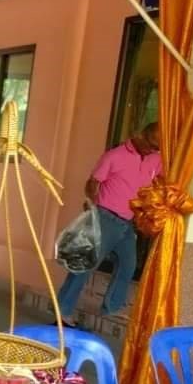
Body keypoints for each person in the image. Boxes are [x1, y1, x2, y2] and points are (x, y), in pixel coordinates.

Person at [57, 122, 161, 326]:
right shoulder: (115, 156)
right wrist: (92, 204)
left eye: (157, 147)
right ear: (141, 135)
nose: (153, 150)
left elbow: (164, 178)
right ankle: (63, 310)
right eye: (151, 144)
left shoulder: (156, 158)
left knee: (128, 265)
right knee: (85, 264)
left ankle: (112, 307)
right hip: (106, 218)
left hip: (128, 222)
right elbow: (92, 182)